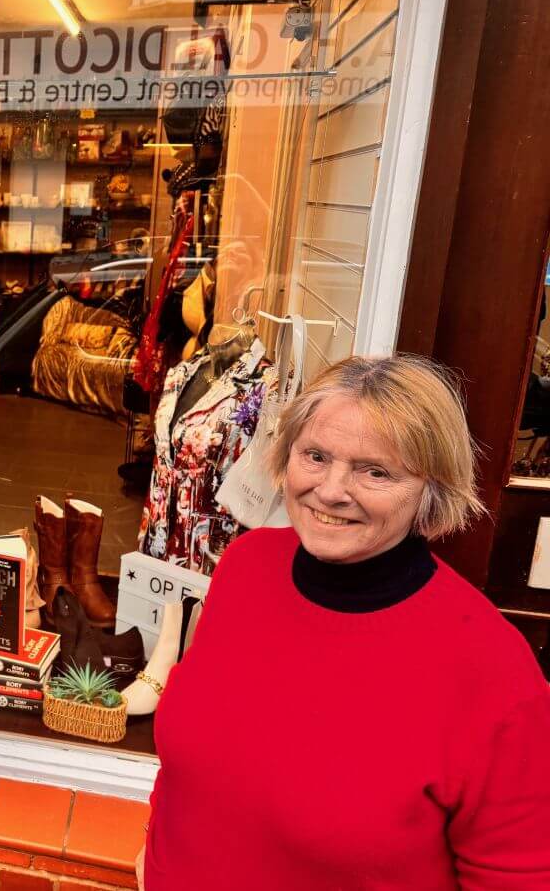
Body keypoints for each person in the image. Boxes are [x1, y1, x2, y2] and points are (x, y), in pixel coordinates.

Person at [139, 355, 550, 890]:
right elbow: (192, 767)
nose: (331, 490)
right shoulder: (246, 567)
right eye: (315, 456)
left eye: (374, 471)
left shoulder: (491, 669)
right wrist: (153, 852)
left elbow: (517, 877)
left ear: (432, 487)